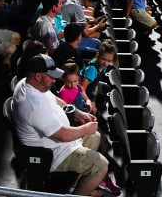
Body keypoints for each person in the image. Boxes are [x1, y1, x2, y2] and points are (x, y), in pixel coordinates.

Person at [12, 54, 117, 196]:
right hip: (53, 153)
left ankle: (75, 183)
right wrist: (85, 128)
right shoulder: (34, 105)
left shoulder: (30, 83)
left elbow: (54, 98)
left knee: (95, 136)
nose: (55, 80)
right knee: (101, 165)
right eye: (51, 76)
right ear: (38, 76)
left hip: (59, 142)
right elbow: (63, 135)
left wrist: (78, 113)